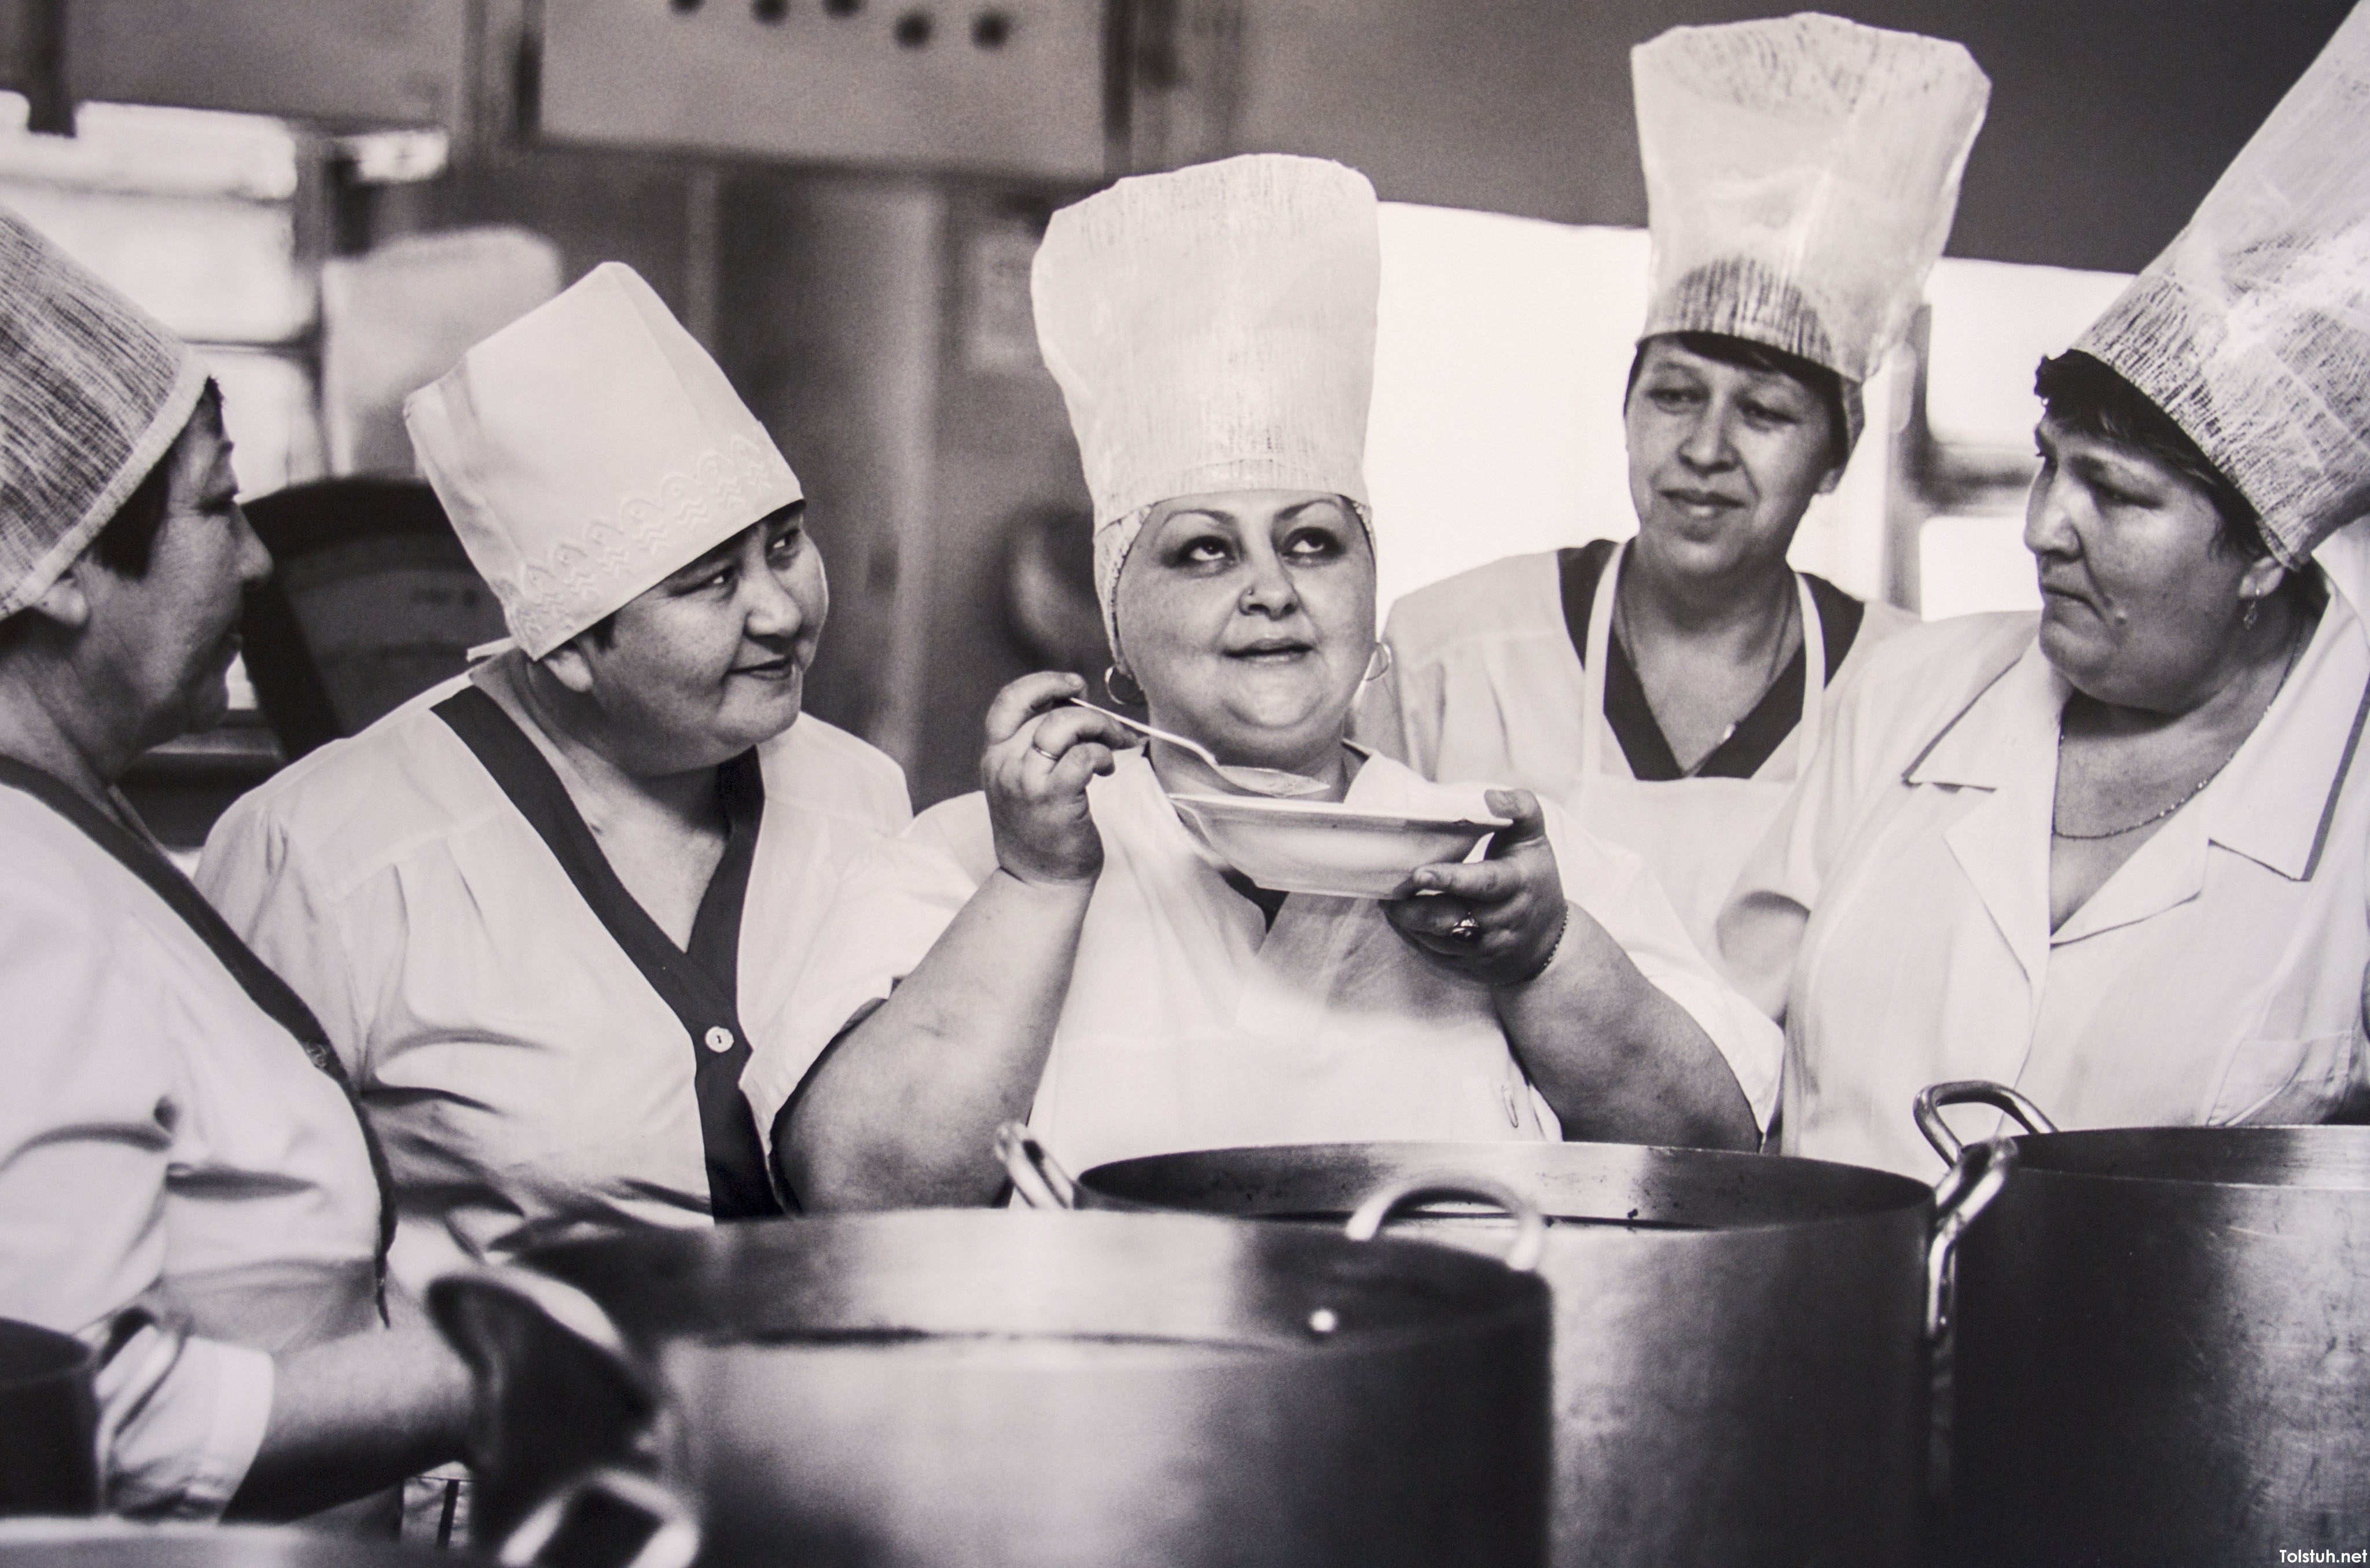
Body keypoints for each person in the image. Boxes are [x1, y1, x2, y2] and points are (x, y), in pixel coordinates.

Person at [752, 155, 1781, 1208]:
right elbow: (857, 1184)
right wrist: (1038, 886)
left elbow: (1716, 1157)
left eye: (1314, 542)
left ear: (1372, 596)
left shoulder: (1508, 867)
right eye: (1203, 550)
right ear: (1117, 626)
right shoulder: (969, 858)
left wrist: (1545, 956)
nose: (1271, 590)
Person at [1717, 1, 2370, 1179]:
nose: (2040, 529)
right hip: (1831, 1340)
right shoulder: (1909, 695)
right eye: (2045, 465)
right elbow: (1724, 1063)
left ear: (2267, 553)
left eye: (2113, 494)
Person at [199, 264, 910, 1280]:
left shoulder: (861, 796)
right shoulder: (324, 858)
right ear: (568, 645)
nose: (782, 609)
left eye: (786, 544)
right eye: (712, 581)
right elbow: (255, 1269)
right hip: (498, 1435)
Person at [0, 208, 465, 1522]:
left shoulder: (60, 835)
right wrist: (520, 1348)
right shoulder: (16, 905)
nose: (257, 558)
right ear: (62, 568)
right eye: (218, 503)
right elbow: (83, 1411)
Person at [1357, 15, 1988, 955]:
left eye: (1764, 412)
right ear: (1626, 411)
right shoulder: (1452, 651)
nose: (1705, 446)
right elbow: (1354, 959)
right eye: (1676, 395)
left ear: (1835, 461)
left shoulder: (1911, 694)